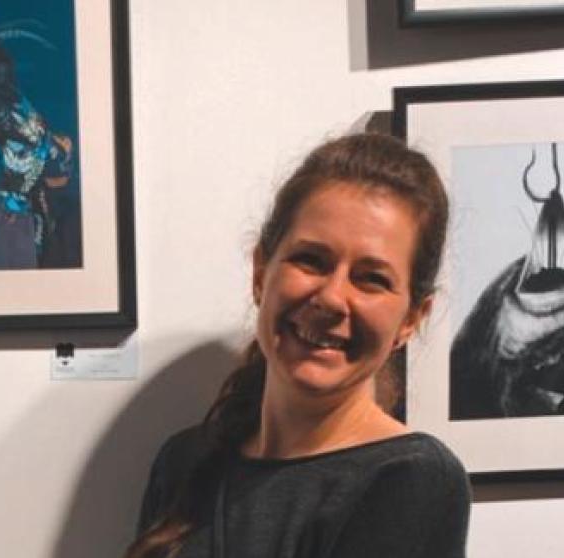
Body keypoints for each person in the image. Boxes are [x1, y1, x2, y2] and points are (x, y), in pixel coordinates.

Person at [126, 133, 471, 558]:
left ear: (412, 319)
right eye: (311, 260)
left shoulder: (412, 480)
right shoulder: (183, 462)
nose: (330, 298)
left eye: (371, 279)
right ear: (260, 272)